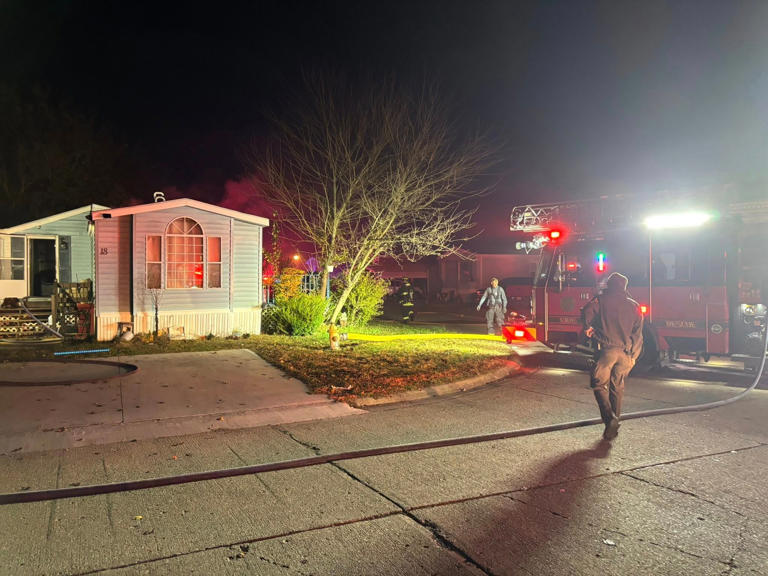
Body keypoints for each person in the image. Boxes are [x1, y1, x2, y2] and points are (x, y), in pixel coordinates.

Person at [581, 272, 643, 440]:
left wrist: (588, 329)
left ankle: (610, 420)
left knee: (599, 385)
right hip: (626, 354)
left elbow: (586, 313)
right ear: (624, 286)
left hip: (607, 350)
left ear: (609, 285)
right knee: (617, 387)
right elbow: (638, 334)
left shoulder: (600, 300)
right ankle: (614, 426)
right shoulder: (634, 305)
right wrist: (634, 356)